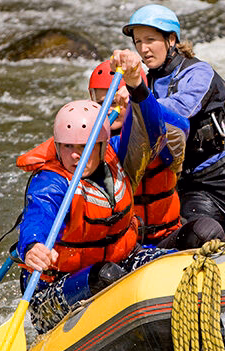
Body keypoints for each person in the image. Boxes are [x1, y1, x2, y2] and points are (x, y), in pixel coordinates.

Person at [15, 53, 179, 334]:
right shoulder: (51, 182)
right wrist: (33, 247)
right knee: (106, 276)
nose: (75, 156)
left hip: (120, 259)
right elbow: (39, 214)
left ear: (103, 146)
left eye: (84, 147)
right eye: (67, 147)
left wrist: (136, 83)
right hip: (59, 288)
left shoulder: (119, 156)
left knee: (175, 264)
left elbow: (152, 133)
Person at [117, 4, 225, 240]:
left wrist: (138, 96)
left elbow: (181, 109)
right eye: (138, 42)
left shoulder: (198, 72)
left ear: (171, 39)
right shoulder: (145, 81)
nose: (143, 49)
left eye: (150, 40)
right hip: (192, 182)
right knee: (197, 239)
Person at [88, 59, 225, 250]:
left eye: (116, 102)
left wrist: (139, 98)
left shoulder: (157, 132)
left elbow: (180, 126)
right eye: (103, 103)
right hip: (123, 245)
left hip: (166, 237)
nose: (112, 109)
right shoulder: (86, 145)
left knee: (207, 230)